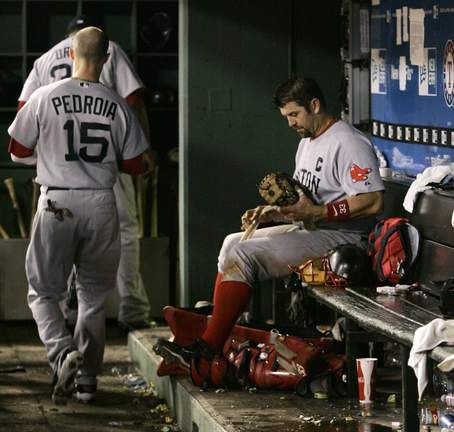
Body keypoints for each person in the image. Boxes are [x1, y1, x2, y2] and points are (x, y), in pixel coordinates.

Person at [153, 76, 385, 386]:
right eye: (286, 116)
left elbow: (371, 201)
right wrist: (272, 212)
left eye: (294, 114)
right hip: (315, 230)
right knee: (232, 242)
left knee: (243, 254)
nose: (290, 123)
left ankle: (208, 347)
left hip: (346, 242)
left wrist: (320, 212)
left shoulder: (348, 142)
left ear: (315, 105)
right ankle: (215, 331)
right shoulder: (307, 142)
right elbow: (306, 203)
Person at [8, 27, 152, 404]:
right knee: (92, 299)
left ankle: (62, 353)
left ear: (71, 54)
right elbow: (137, 163)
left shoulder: (43, 96)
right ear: (106, 60)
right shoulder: (116, 102)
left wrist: (50, 157)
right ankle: (88, 380)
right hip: (103, 203)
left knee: (42, 292)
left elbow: (17, 150)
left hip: (57, 201)